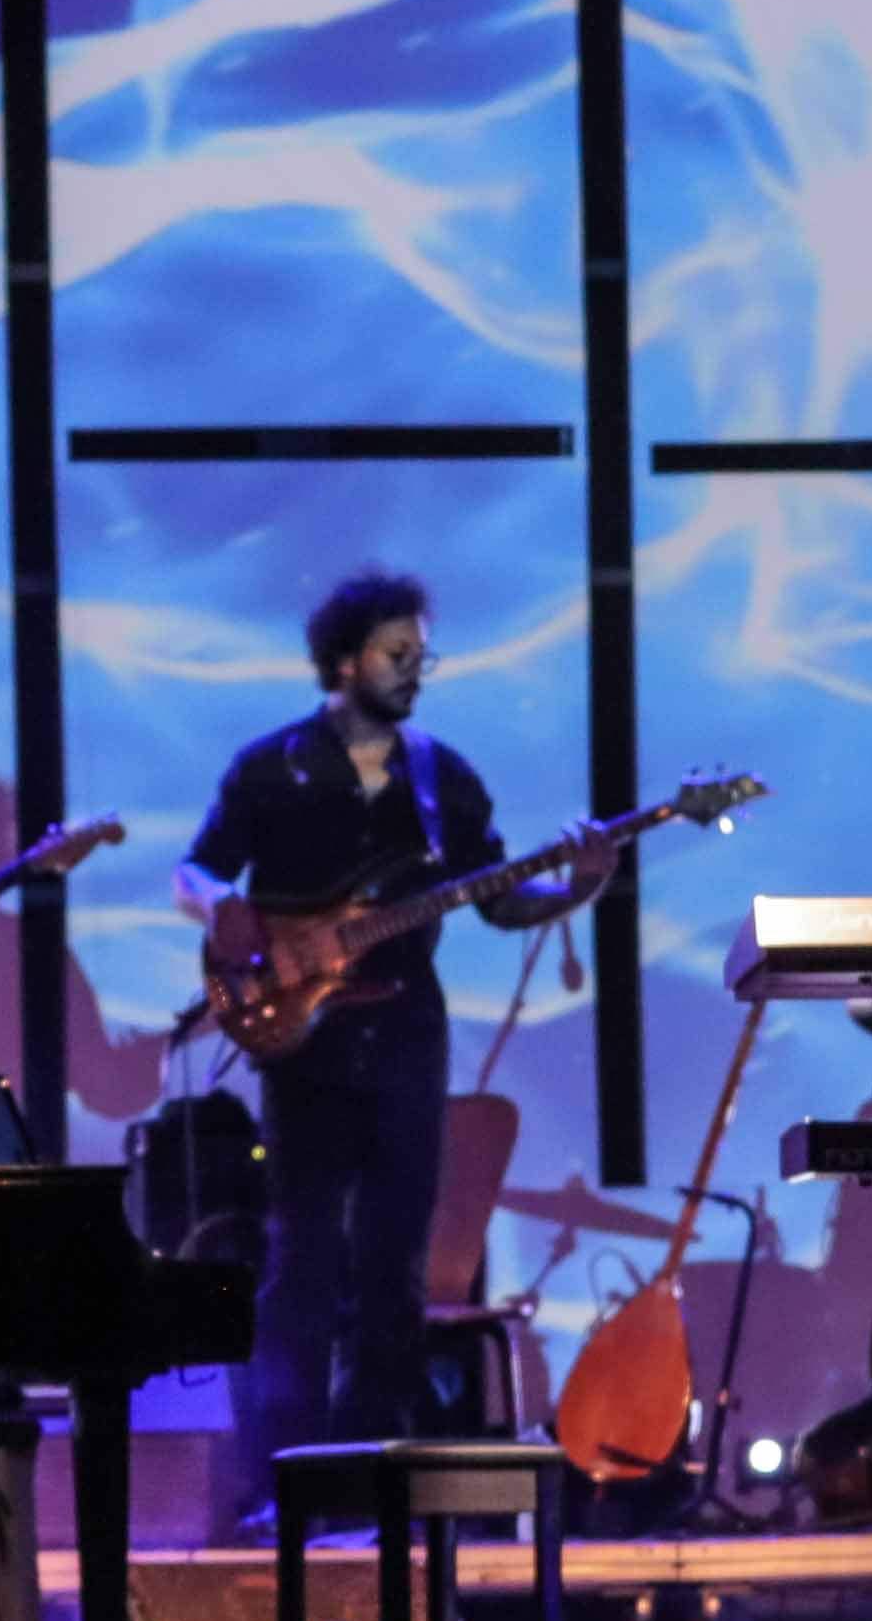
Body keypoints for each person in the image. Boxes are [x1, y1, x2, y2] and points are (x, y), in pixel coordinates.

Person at [174, 571, 582, 1503]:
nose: (414, 672)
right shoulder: (269, 767)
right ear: (346, 658)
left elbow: (500, 895)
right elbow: (194, 868)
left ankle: (372, 1486)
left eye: (420, 656)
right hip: (306, 1046)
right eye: (398, 654)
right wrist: (222, 904)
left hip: (405, 1032)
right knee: (300, 1262)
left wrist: (581, 884)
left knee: (396, 1264)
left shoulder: (442, 777)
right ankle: (280, 1483)